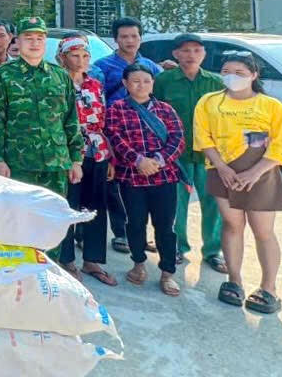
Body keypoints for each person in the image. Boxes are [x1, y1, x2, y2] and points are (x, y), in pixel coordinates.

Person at [195, 51, 282, 314]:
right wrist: (221, 167)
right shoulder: (209, 102)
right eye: (227, 71)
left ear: (254, 75)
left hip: (261, 175)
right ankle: (234, 281)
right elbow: (203, 137)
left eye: (240, 73)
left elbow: (281, 145)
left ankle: (269, 288)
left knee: (263, 231)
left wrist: (255, 173)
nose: (232, 77)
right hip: (222, 172)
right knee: (231, 225)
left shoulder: (271, 106)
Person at [105, 64, 185, 297]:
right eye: (136, 81)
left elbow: (177, 138)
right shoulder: (117, 109)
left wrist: (159, 160)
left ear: (153, 83)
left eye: (146, 81)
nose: (141, 85)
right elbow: (115, 138)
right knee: (135, 223)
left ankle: (168, 272)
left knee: (165, 227)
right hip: (132, 177)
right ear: (125, 84)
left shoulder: (165, 110)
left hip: (164, 176)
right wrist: (138, 161)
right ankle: (138, 263)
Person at [90, 16, 166, 255]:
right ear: (115, 40)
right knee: (115, 184)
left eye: (134, 36)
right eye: (124, 36)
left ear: (140, 37)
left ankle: (140, 234)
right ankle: (121, 232)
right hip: (114, 130)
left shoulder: (153, 68)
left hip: (144, 134)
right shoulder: (101, 67)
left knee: (140, 184)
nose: (130, 40)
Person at [152, 34, 228, 273]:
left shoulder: (215, 83)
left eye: (196, 50)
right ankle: (177, 247)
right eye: (185, 50)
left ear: (203, 54)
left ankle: (213, 251)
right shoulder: (164, 81)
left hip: (210, 155)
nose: (191, 55)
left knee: (213, 203)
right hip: (177, 153)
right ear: (176, 54)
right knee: (176, 205)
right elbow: (155, 115)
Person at [0, 17, 83, 199]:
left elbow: (71, 120)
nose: (35, 43)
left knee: (55, 220)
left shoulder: (60, 76)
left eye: (39, 38)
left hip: (56, 162)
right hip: (19, 163)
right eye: (28, 38)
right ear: (16, 41)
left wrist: (76, 160)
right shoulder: (3, 75)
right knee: (20, 221)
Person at [54, 35, 115, 285]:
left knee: (95, 208)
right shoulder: (56, 83)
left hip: (96, 150)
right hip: (69, 152)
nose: (80, 61)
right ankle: (66, 259)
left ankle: (92, 260)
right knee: (69, 206)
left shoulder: (95, 84)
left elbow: (103, 121)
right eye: (75, 55)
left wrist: (110, 156)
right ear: (63, 58)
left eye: (85, 56)